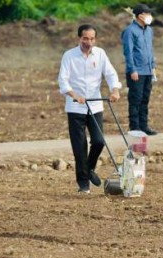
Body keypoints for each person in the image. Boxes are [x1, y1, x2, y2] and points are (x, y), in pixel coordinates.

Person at [58, 24, 121, 193]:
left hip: (95, 105)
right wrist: (73, 94)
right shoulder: (69, 56)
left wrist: (114, 90)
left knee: (99, 141)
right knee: (79, 147)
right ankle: (83, 184)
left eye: (92, 38)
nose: (89, 42)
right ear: (79, 38)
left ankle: (90, 168)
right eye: (86, 38)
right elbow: (63, 80)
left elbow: (110, 73)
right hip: (75, 107)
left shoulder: (100, 54)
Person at [122, 3, 157, 135]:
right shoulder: (130, 31)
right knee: (135, 100)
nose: (150, 16)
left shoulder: (149, 31)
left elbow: (150, 50)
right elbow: (128, 52)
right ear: (140, 16)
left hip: (148, 71)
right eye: (148, 14)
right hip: (136, 72)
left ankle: (144, 126)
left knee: (144, 99)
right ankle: (135, 127)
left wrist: (152, 67)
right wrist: (132, 70)